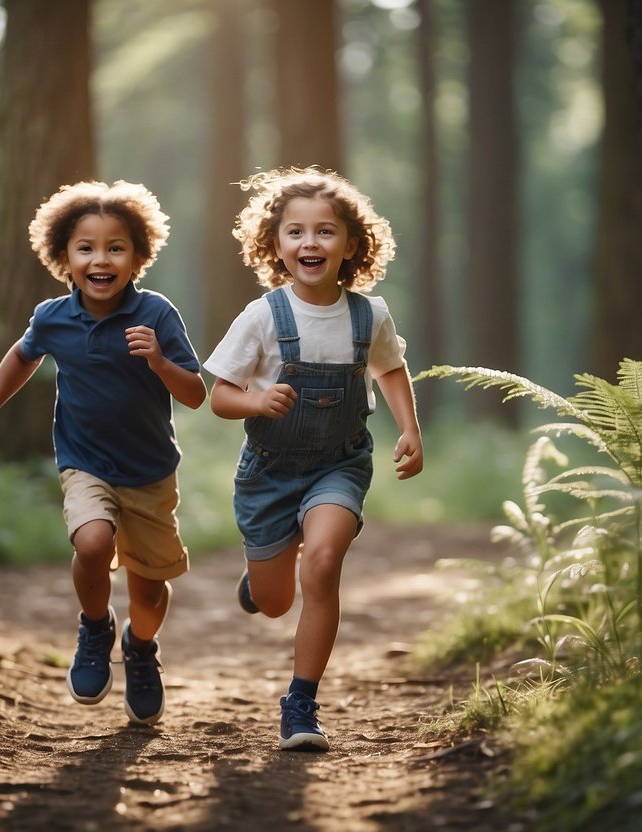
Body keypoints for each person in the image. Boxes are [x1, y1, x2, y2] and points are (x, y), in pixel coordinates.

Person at [0, 180, 206, 727]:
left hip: (150, 473)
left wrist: (161, 363)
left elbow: (195, 392)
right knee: (92, 542)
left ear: (138, 257)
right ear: (64, 257)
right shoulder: (53, 318)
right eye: (86, 247)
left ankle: (140, 649)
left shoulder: (157, 314)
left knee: (149, 588)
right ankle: (95, 628)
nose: (101, 259)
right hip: (84, 462)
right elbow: (22, 357)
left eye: (115, 247)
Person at [204, 167, 424, 751]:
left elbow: (391, 370)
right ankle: (258, 585)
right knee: (275, 603)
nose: (310, 244)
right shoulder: (262, 316)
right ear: (274, 244)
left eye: (325, 232)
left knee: (323, 565)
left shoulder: (368, 315)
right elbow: (218, 395)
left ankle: (300, 705)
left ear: (352, 245)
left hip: (339, 465)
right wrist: (255, 399)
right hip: (270, 473)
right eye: (295, 232)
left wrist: (410, 431)